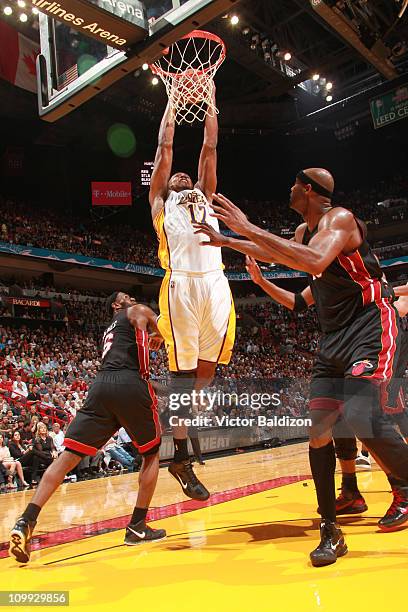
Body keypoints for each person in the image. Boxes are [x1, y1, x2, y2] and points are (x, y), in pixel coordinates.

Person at [194, 168, 408, 566]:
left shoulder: (339, 219)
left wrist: (247, 226)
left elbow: (313, 258)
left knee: (361, 413)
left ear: (307, 189)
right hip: (333, 337)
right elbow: (282, 255)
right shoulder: (301, 233)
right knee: (318, 429)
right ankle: (331, 529)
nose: (288, 190)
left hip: (370, 323)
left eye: (293, 184)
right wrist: (228, 240)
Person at [246, 255, 408, 531]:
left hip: (375, 350)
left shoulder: (372, 283)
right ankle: (351, 491)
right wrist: (261, 281)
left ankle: (401, 487)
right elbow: (297, 302)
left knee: (368, 420)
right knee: (338, 423)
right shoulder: (325, 278)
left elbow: (395, 305)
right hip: (342, 350)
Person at [9, 293, 166, 564]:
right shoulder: (137, 310)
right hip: (129, 382)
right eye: (125, 297)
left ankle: (25, 521)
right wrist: (162, 335)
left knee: (68, 456)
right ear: (116, 305)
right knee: (151, 453)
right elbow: (166, 327)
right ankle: (137, 526)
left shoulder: (111, 328)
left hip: (101, 386)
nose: (132, 298)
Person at [149, 89, 235, 501]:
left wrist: (211, 102)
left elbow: (210, 145)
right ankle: (179, 454)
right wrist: (173, 101)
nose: (181, 175)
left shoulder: (204, 192)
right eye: (175, 176)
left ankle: (184, 435)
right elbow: (165, 145)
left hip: (215, 279)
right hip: (181, 281)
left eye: (187, 176)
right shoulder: (160, 200)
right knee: (182, 376)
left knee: (207, 371)